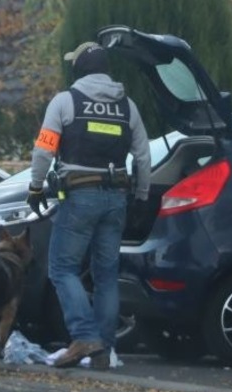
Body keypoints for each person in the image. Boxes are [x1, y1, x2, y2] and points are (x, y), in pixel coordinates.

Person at [27, 41, 150, 370]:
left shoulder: (65, 102)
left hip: (79, 196)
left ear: (79, 68)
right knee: (106, 275)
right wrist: (141, 195)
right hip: (116, 198)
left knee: (62, 268)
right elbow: (142, 155)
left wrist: (36, 186)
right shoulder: (127, 107)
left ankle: (84, 336)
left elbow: (44, 149)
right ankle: (105, 351)